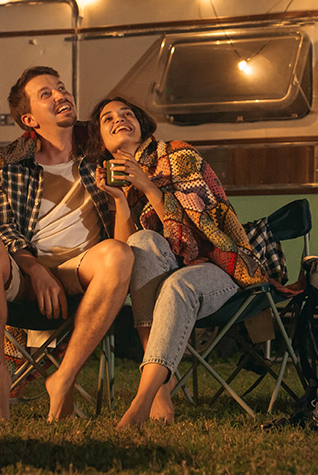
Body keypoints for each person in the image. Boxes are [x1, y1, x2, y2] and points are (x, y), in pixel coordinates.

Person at [86, 97, 274, 428]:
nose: (119, 120)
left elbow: (200, 232)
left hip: (218, 265)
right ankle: (160, 392)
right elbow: (126, 250)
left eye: (128, 113)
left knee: (176, 282)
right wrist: (121, 200)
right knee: (141, 243)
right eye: (108, 119)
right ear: (101, 139)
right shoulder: (115, 181)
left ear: (141, 124)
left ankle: (143, 401)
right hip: (165, 281)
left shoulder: (177, 155)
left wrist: (146, 184)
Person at [0, 67, 132, 422]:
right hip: (25, 273)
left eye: (62, 88)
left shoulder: (100, 155)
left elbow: (142, 140)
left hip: (79, 272)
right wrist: (35, 269)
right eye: (46, 94)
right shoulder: (4, 166)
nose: (61, 96)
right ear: (28, 119)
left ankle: (63, 379)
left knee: (119, 253)